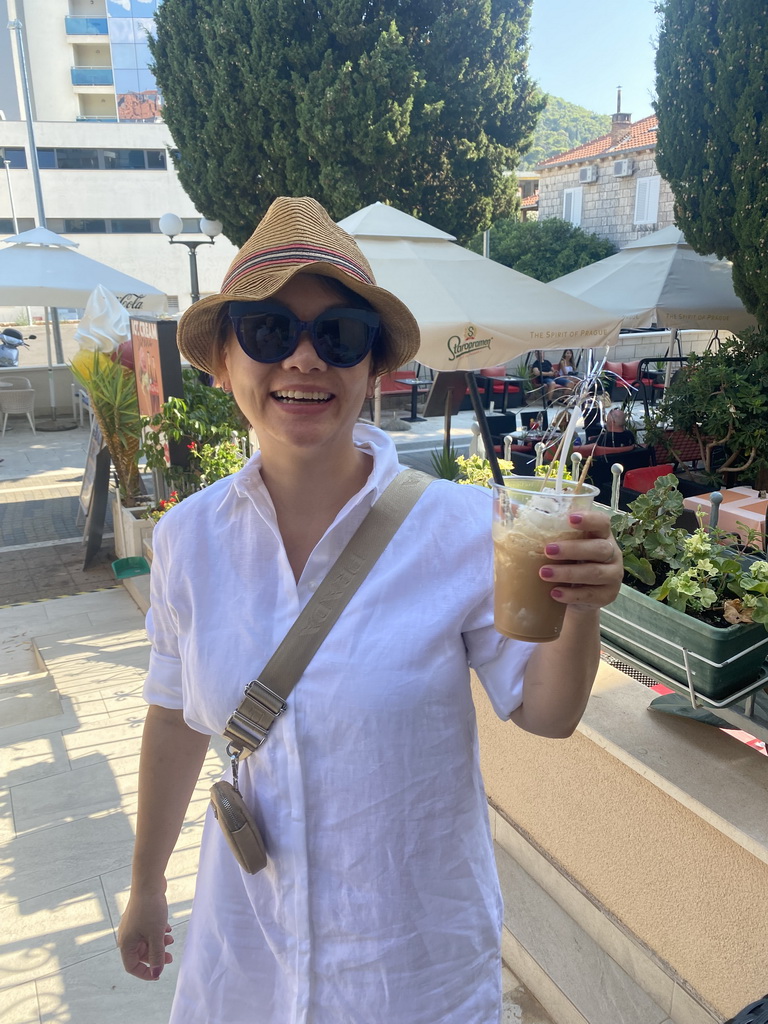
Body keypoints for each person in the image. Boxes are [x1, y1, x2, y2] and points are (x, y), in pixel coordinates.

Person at [117, 196, 623, 1024]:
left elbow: (549, 712)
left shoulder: (463, 529)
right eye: (270, 331)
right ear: (223, 362)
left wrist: (583, 606)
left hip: (410, 968)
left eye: (339, 335)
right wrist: (144, 886)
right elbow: (174, 721)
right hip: (248, 953)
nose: (305, 360)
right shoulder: (185, 541)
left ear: (375, 369)